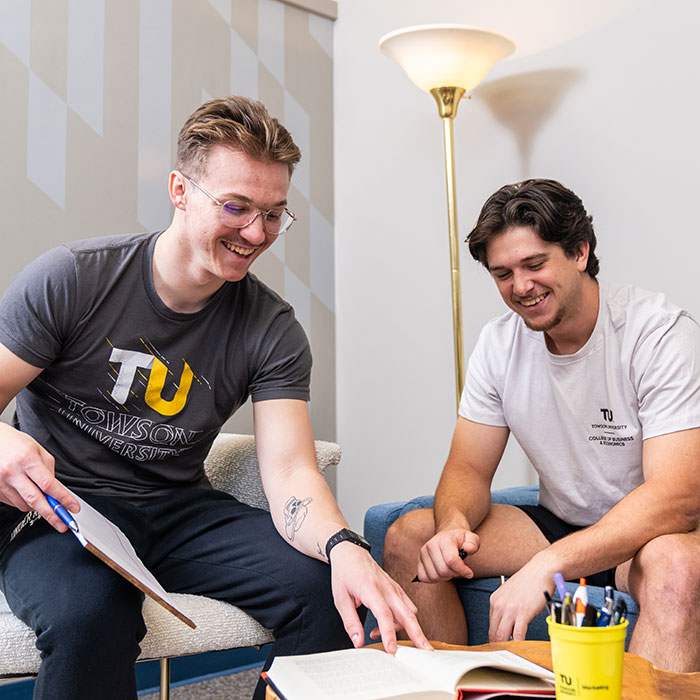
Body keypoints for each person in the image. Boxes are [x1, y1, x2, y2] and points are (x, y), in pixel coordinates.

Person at [0, 95, 430, 700]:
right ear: (180, 190)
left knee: (331, 595)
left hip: (175, 510)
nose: (256, 233)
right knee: (91, 620)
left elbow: (290, 472)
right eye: (236, 207)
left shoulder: (271, 328)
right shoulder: (73, 279)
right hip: (61, 512)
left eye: (275, 214)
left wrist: (343, 548)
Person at [383, 178, 700, 673]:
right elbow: (468, 466)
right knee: (410, 536)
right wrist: (452, 526)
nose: (520, 287)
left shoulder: (657, 334)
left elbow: (677, 496)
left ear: (579, 251)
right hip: (562, 521)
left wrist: (549, 566)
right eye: (503, 273)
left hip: (653, 537)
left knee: (677, 567)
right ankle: (450, 688)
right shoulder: (498, 343)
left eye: (534, 264)